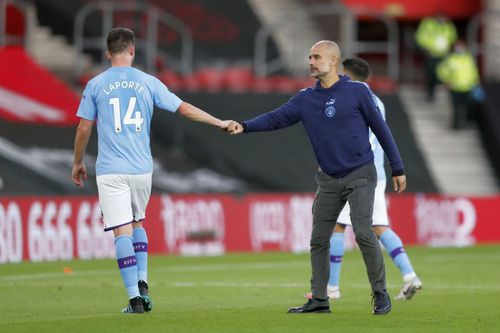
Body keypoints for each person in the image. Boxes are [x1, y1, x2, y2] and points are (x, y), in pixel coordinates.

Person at [227, 41, 407, 315]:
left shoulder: (358, 91)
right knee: (319, 239)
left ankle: (380, 293)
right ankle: (320, 299)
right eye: (310, 56)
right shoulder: (305, 99)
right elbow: (277, 118)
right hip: (329, 179)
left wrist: (398, 167)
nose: (311, 61)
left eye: (317, 57)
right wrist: (246, 126)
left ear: (333, 61)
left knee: (363, 232)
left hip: (361, 173)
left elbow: (382, 130)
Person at [72, 27, 230, 314]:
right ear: (132, 50)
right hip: (142, 168)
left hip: (111, 169)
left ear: (108, 53)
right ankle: (143, 281)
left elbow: (84, 127)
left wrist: (78, 161)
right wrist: (219, 121)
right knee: (138, 224)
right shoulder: (148, 82)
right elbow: (183, 108)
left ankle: (134, 298)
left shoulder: (95, 84)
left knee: (121, 232)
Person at [303, 58, 422, 302]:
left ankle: (331, 288)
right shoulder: (375, 100)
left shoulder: (352, 98)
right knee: (378, 226)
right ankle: (410, 275)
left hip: (355, 173)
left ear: (347, 73)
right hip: (374, 174)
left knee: (337, 225)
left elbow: (355, 138)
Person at [436, 40, 481, 129]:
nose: (459, 49)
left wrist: (476, 82)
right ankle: (455, 126)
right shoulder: (450, 59)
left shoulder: (468, 58)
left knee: (468, 107)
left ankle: (467, 123)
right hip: (455, 88)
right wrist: (445, 81)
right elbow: (441, 71)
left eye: (461, 46)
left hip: (467, 88)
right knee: (456, 108)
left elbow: (473, 71)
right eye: (458, 46)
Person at [415, 13, 457, 101]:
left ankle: (440, 89)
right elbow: (421, 37)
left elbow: (453, 39)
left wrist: (449, 48)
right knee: (431, 74)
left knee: (442, 74)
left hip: (443, 55)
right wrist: (426, 48)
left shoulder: (448, 27)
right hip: (431, 54)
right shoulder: (428, 25)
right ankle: (430, 93)